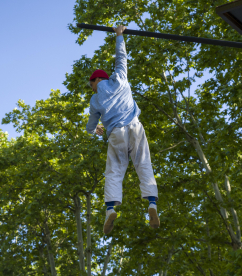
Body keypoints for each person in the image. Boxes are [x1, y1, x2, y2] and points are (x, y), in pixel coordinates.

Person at [86, 25, 159, 234]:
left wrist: (95, 130)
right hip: (135, 126)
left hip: (116, 133)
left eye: (91, 84)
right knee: (143, 163)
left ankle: (110, 208)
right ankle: (152, 204)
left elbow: (90, 126)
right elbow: (121, 58)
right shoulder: (119, 78)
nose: (91, 88)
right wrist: (119, 36)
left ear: (96, 80)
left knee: (114, 171)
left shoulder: (94, 99)